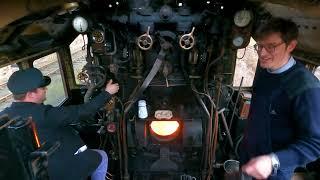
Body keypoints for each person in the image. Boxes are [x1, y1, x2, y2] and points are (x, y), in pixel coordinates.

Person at [0, 67, 119, 180]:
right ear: (31, 94)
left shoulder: (4, 115)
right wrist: (107, 93)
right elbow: (83, 112)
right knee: (101, 156)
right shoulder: (44, 114)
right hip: (56, 168)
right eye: (42, 88)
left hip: (32, 170)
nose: (46, 89)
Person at [240, 17, 320, 180]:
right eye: (260, 46)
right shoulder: (265, 72)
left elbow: (315, 144)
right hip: (249, 156)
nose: (262, 53)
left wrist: (272, 161)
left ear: (291, 45)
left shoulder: (305, 87)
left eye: (271, 46)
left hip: (274, 170)